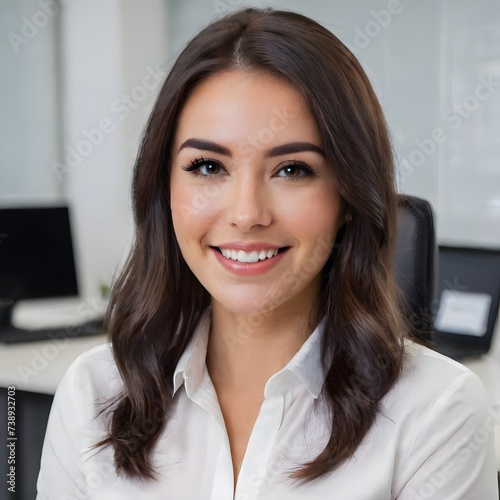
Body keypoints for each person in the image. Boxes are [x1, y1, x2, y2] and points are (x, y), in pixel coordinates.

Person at [36, 8, 498, 499]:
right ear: (163, 189)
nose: (246, 213)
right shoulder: (93, 394)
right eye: (209, 166)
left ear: (349, 197)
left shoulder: (437, 412)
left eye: (292, 170)